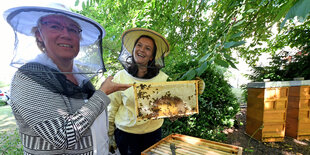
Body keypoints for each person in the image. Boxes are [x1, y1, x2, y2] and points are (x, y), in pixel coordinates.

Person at [4, 3, 130, 155]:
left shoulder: (81, 78)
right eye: (55, 26)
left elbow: (92, 123)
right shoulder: (27, 79)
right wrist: (102, 93)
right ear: (39, 34)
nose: (66, 34)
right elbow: (62, 136)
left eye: (72, 29)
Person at [108, 28, 171, 155]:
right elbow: (112, 106)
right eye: (139, 45)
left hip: (153, 134)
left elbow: (168, 106)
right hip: (126, 136)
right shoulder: (120, 77)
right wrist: (109, 134)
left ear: (152, 56)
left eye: (147, 48)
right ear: (133, 50)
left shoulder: (162, 79)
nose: (142, 49)